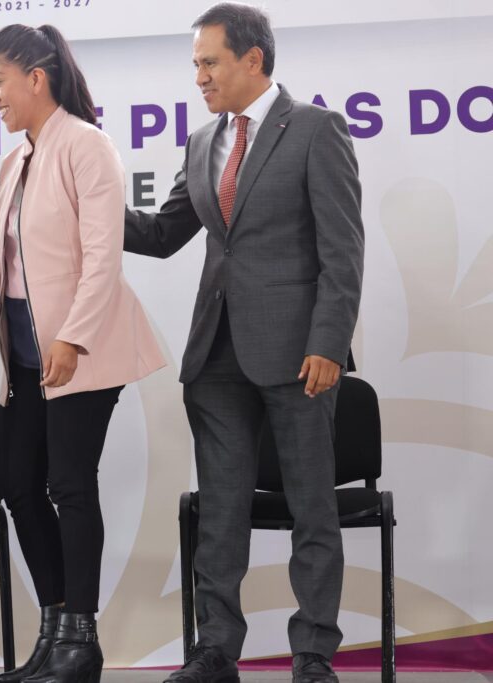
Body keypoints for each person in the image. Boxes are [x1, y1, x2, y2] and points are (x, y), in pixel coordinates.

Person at [123, 4, 364, 682]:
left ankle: (312, 653)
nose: (198, 76)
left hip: (299, 353)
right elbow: (163, 233)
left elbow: (343, 250)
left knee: (312, 507)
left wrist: (329, 341)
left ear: (253, 59)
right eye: (195, 64)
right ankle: (216, 651)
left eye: (210, 62)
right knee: (221, 510)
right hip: (216, 354)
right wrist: (88, 209)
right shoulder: (203, 141)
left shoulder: (316, 129)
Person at [0, 24, 165, 683]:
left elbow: (102, 259)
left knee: (69, 484)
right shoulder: (15, 159)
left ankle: (81, 641)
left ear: (35, 79)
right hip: (25, 353)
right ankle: (54, 634)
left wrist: (72, 337)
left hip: (84, 346)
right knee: (20, 485)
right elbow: (0, 261)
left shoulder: (87, 145)